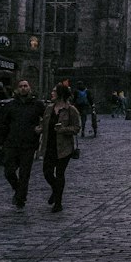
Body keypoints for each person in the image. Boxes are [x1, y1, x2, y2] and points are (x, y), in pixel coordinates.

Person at [0, 78, 45, 211]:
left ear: (29, 88)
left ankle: (21, 199)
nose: (23, 88)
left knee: (24, 173)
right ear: (17, 89)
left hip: (29, 144)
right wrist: (0, 141)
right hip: (12, 143)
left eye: (25, 86)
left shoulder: (37, 105)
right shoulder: (11, 105)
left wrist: (40, 128)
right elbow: (3, 124)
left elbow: (46, 119)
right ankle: (18, 191)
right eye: (21, 86)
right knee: (9, 171)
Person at [39, 83, 82, 213]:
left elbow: (76, 128)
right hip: (49, 145)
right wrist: (39, 129)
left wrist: (63, 130)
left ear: (61, 94)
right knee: (47, 172)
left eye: (54, 91)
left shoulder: (71, 110)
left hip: (64, 148)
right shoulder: (48, 108)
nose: (51, 93)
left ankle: (58, 203)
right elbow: (44, 124)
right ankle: (55, 189)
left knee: (59, 174)